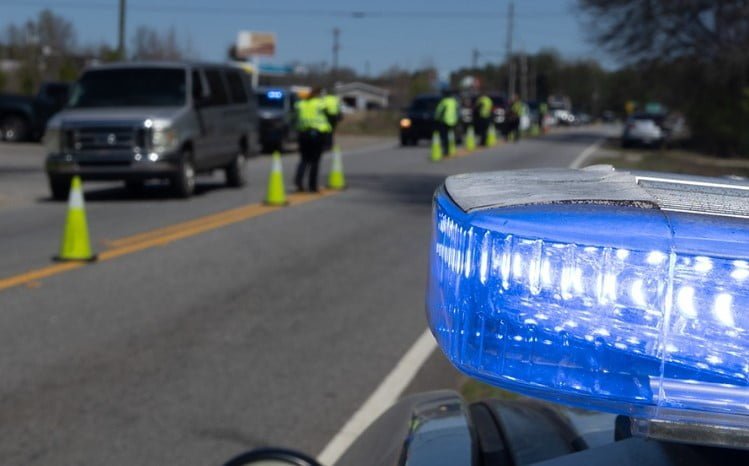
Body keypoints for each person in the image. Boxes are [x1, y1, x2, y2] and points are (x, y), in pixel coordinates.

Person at [294, 88, 331, 192]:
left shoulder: (301, 104)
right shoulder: (320, 103)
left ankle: (299, 181)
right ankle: (312, 186)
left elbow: (295, 113)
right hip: (317, 134)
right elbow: (330, 111)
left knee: (304, 159)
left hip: (303, 133)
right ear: (318, 95)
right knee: (315, 161)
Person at [434, 89, 459, 155]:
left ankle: (446, 150)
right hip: (453, 121)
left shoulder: (444, 102)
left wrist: (436, 119)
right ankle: (453, 149)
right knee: (452, 136)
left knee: (445, 137)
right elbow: (457, 111)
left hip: (445, 121)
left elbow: (439, 112)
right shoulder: (454, 101)